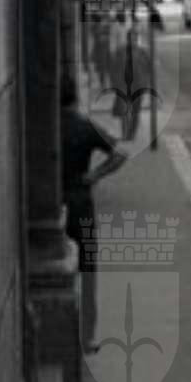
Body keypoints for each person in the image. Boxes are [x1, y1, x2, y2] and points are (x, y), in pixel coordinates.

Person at [62, 77, 128, 351]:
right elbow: (120, 154)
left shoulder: (43, 129)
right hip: (81, 202)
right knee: (87, 268)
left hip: (54, 202)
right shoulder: (84, 126)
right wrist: (95, 175)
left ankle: (61, 330)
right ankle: (87, 335)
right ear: (75, 98)